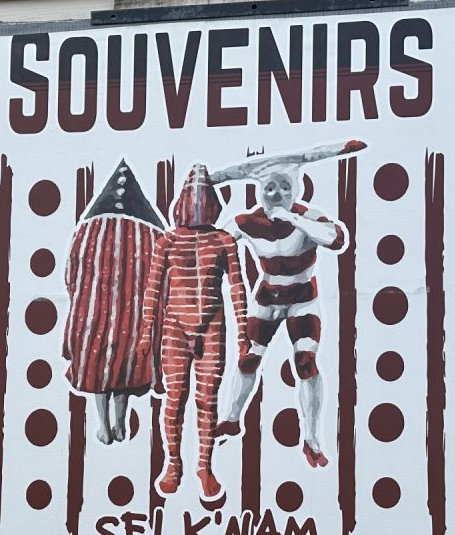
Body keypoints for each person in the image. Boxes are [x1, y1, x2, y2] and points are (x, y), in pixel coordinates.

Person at [211, 141, 364, 468]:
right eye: (270, 187)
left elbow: (336, 240)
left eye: (284, 187)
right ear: (260, 191)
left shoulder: (308, 216)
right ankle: (231, 418)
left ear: (295, 189)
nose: (276, 193)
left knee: (305, 363)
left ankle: (312, 439)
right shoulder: (247, 221)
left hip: (301, 298)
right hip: (267, 297)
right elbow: (216, 246)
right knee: (248, 359)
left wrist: (293, 219)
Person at [134, 164, 248, 503]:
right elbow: (153, 289)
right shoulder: (167, 241)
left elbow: (237, 287)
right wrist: (146, 334)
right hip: (175, 326)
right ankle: (173, 464)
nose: (197, 202)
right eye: (192, 195)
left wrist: (243, 335)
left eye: (202, 195)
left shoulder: (224, 241)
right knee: (175, 399)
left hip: (212, 325)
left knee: (207, 400)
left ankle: (204, 466)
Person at [61, 160, 167, 445]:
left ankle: (104, 426)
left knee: (98, 369)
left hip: (93, 316)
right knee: (124, 370)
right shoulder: (152, 236)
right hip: (133, 321)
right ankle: (120, 424)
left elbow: (71, 275)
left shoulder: (87, 234)